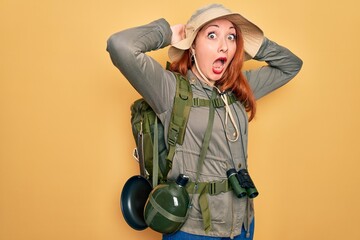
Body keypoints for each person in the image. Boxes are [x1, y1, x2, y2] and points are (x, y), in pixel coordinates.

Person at [107, 3, 302, 240]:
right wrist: (166, 33)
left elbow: (291, 65)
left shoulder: (238, 90)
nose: (224, 45)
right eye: (212, 35)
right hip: (193, 229)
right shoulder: (169, 90)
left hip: (242, 225)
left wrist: (251, 43)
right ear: (192, 46)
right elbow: (120, 46)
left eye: (231, 37)